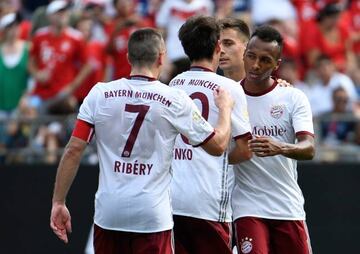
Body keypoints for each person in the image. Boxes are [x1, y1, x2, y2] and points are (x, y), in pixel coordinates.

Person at [50, 28, 235, 254]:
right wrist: (225, 109)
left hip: (109, 213)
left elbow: (73, 150)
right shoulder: (173, 99)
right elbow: (217, 146)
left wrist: (58, 202)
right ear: (161, 57)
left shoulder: (99, 94)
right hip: (152, 216)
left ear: (128, 57)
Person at [228, 25, 315, 254]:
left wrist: (281, 147)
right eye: (252, 56)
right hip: (248, 205)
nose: (256, 65)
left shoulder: (292, 97)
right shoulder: (229, 97)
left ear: (277, 65)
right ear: (245, 53)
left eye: (265, 60)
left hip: (287, 206)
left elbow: (309, 148)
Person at [169, 15, 252, 254]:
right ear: (216, 47)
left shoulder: (173, 84)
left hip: (171, 200)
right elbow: (245, 150)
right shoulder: (229, 88)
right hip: (209, 201)